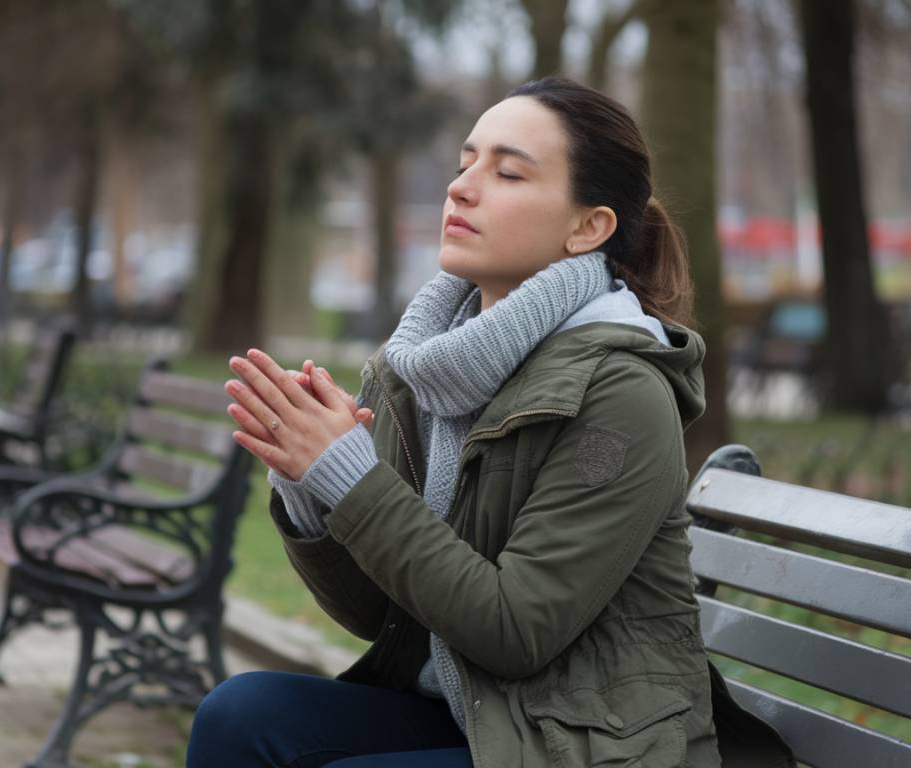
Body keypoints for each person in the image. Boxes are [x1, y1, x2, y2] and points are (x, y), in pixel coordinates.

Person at [186, 77, 796, 768]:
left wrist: (351, 479)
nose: (463, 187)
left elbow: (515, 631)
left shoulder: (621, 389)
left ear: (588, 227)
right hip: (472, 713)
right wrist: (311, 486)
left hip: (588, 743)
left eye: (506, 172)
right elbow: (381, 615)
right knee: (239, 714)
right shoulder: (421, 367)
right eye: (464, 164)